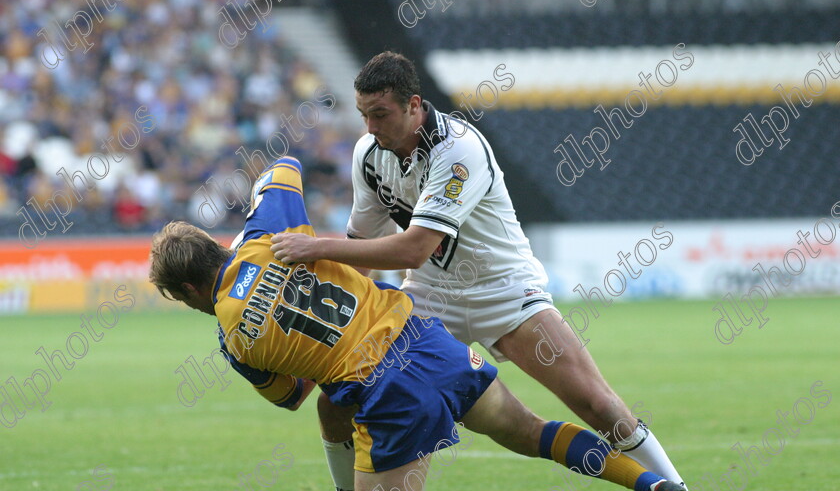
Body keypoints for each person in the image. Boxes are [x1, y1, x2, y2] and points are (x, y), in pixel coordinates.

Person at [270, 52, 689, 490]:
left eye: (380, 114)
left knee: (597, 405)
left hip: (505, 293)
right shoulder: (370, 155)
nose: (371, 127)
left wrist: (314, 246)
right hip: (429, 302)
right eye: (363, 115)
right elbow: (362, 249)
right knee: (336, 404)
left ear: (414, 105)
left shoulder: (459, 150)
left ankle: (675, 486)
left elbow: (415, 249)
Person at [148, 155, 686, 491]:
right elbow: (282, 167)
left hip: (388, 398)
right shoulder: (269, 235)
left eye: (179, 298)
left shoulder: (233, 341)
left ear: (190, 291)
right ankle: (651, 485)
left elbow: (290, 395)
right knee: (534, 433)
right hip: (429, 343)